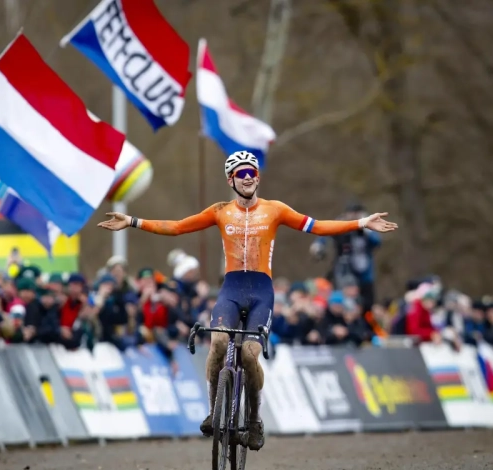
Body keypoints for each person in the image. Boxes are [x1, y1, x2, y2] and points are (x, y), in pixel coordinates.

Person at [98, 150, 398, 451]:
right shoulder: (219, 210)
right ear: (231, 180)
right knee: (217, 343)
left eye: (252, 173)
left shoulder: (275, 209)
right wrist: (132, 221)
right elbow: (176, 227)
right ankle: (214, 411)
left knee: (249, 356)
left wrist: (361, 223)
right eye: (241, 174)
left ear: (258, 177)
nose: (247, 178)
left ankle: (254, 420)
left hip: (261, 291)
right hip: (231, 288)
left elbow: (317, 226)